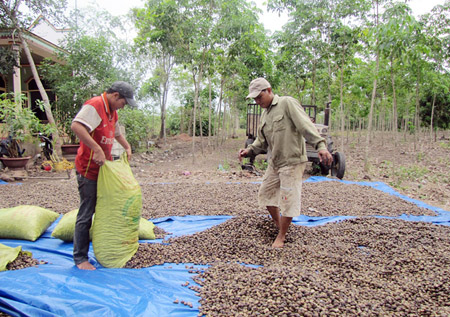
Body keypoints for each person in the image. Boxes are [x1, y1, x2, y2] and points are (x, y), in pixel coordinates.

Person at [239, 78, 333, 248]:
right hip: (275, 162)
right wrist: (249, 150)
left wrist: (320, 145)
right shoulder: (264, 114)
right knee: (265, 194)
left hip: (292, 161)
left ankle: (281, 236)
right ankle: (279, 225)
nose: (257, 102)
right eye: (254, 99)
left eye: (259, 97)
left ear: (269, 90)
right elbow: (261, 140)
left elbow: (305, 125)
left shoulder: (287, 103)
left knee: (288, 199)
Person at [71, 81, 136, 270]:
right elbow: (76, 126)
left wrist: (127, 145)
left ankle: (106, 248)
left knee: (106, 209)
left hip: (103, 171)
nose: (123, 107)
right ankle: (80, 258)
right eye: (124, 103)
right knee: (86, 212)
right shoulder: (95, 105)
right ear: (115, 96)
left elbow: (116, 133)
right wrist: (97, 149)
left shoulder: (112, 112)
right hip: (88, 169)